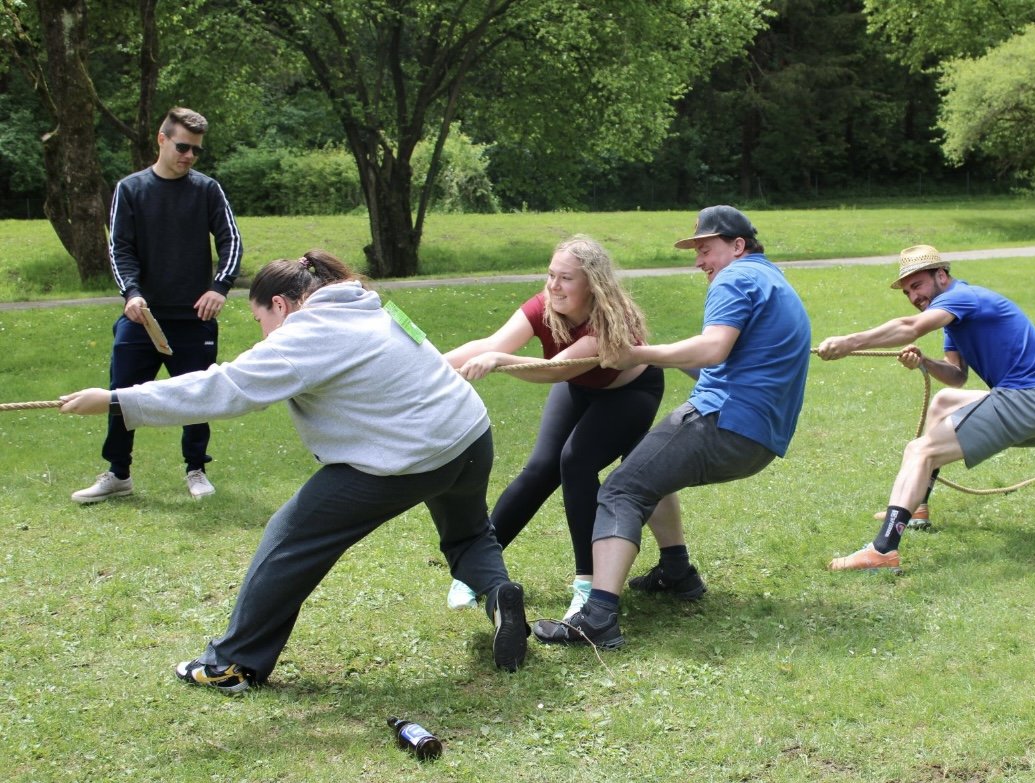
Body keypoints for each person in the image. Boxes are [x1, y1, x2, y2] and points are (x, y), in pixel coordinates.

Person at [58, 250, 530, 693]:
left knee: (288, 540)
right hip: (469, 434)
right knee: (469, 533)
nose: (264, 333)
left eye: (260, 320)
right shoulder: (368, 306)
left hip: (412, 453)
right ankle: (499, 596)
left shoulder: (308, 333)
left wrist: (118, 400)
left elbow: (226, 387)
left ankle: (232, 665)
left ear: (280, 305)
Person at [533, 205, 811, 649]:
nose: (699, 261)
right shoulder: (772, 279)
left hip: (724, 422)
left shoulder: (735, 279)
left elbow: (714, 349)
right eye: (697, 252)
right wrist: (667, 356)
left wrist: (637, 355)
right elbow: (726, 361)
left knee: (621, 490)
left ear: (738, 246)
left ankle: (598, 617)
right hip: (761, 437)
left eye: (706, 249)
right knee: (647, 466)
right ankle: (677, 571)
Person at [442, 235, 682, 621]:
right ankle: (474, 569)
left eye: (566, 278)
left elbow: (556, 369)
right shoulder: (544, 305)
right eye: (551, 275)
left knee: (576, 462)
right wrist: (433, 366)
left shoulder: (608, 319)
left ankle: (588, 585)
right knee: (541, 468)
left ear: (593, 283)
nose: (554, 285)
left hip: (629, 393)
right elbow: (492, 342)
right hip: (578, 387)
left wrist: (499, 360)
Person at [815, 244, 1035, 571]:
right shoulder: (955, 319)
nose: (913, 297)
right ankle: (917, 506)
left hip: (1029, 401)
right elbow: (957, 377)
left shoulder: (963, 297)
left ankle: (882, 551)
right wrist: (925, 362)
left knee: (920, 451)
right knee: (944, 401)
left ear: (942, 276)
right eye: (907, 291)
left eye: (917, 285)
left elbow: (910, 327)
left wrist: (850, 342)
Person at [72, 107, 243, 504]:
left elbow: (231, 240)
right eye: (183, 147)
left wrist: (219, 287)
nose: (190, 156)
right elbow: (120, 248)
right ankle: (118, 474)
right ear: (162, 139)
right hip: (141, 318)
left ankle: (196, 470)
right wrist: (131, 293)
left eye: (197, 150)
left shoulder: (207, 189)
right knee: (121, 395)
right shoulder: (130, 189)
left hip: (194, 319)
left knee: (196, 397)